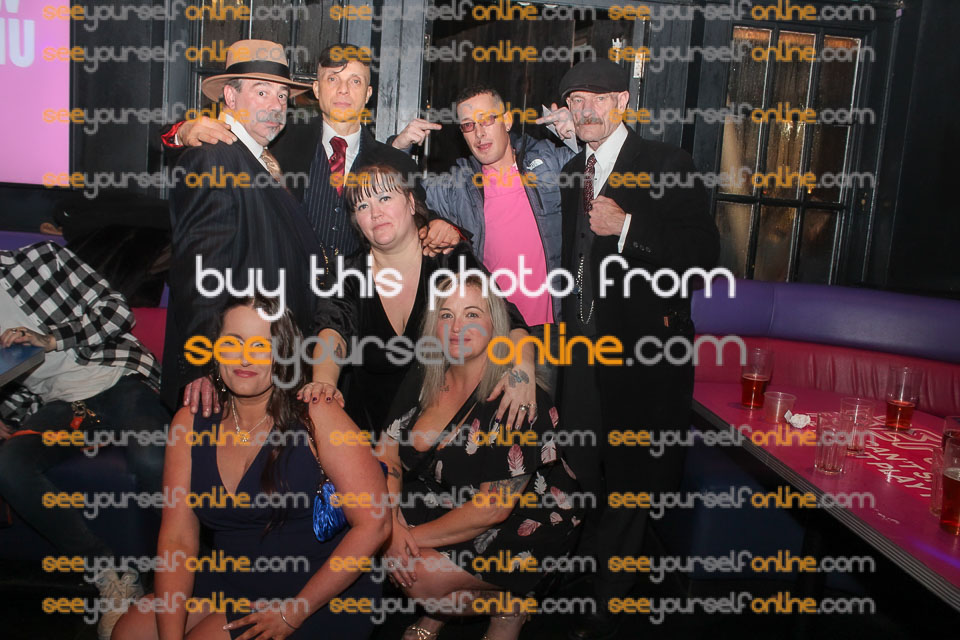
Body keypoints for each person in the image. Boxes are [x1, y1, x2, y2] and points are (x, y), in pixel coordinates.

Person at [553, 60, 721, 640]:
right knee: (578, 470)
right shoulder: (571, 171)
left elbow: (703, 257)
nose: (586, 110)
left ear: (623, 101)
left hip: (642, 358)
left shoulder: (666, 163)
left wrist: (628, 227)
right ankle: (577, 582)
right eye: (576, 100)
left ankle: (609, 607)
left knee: (629, 480)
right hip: (579, 352)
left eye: (598, 98)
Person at [112, 295, 389, 640]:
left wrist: (293, 613)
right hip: (233, 575)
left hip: (317, 589)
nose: (245, 357)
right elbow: (177, 539)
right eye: (233, 343)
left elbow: (375, 525)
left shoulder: (317, 414)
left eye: (261, 346)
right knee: (129, 632)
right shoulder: (191, 421)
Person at [375, 273, 583, 640]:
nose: (457, 327)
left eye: (472, 314)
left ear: (496, 325)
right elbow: (387, 451)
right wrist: (390, 525)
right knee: (370, 522)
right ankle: (443, 604)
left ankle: (508, 604)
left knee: (416, 576)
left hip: (523, 520)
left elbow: (493, 509)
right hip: (449, 497)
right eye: (447, 315)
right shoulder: (426, 372)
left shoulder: (516, 398)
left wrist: (406, 539)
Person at [0, 241, 169, 640]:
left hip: (117, 374)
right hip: (58, 405)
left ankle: (171, 576)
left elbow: (117, 312)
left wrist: (50, 339)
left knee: (153, 458)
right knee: (10, 465)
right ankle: (109, 575)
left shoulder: (40, 260)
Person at [300, 163, 537, 440]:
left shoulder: (449, 261)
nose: (376, 213)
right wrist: (324, 382)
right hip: (367, 437)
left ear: (411, 203)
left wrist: (524, 371)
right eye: (363, 206)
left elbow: (508, 319)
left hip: (443, 437)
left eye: (385, 198)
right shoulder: (347, 274)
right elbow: (332, 328)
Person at [164, 44, 461, 258]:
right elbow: (217, 151)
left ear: (368, 95)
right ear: (317, 90)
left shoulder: (395, 162)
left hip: (357, 308)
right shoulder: (275, 139)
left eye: (355, 81)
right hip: (285, 304)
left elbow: (420, 218)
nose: (343, 90)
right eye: (333, 79)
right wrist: (181, 132)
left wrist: (442, 226)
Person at [161, 39, 323, 412]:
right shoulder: (214, 157)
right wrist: (202, 363)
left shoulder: (260, 160)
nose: (276, 105)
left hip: (266, 368)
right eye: (262, 92)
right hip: (227, 375)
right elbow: (199, 268)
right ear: (230, 97)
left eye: (282, 96)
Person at [392, 84, 577, 330]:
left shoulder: (548, 163)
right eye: (468, 125)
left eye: (487, 120)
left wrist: (578, 135)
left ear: (507, 121)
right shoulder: (457, 187)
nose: (479, 133)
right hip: (495, 330)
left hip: (555, 328)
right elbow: (393, 196)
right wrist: (399, 148)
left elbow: (602, 172)